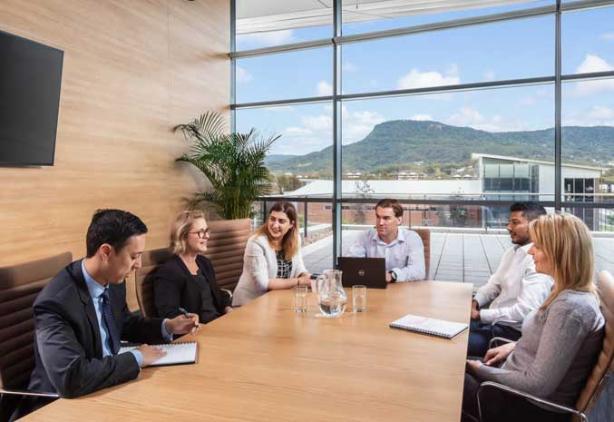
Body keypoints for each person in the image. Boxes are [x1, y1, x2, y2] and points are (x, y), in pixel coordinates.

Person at [19, 209, 199, 415]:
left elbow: (123, 322)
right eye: (134, 256)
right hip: (60, 406)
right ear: (106, 252)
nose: (138, 265)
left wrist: (167, 326)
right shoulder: (54, 304)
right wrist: (137, 358)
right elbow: (71, 378)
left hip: (106, 387)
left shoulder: (113, 281)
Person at [462, 213, 605, 422]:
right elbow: (551, 344)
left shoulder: (570, 309)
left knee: (442, 380)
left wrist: (481, 370)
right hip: (511, 382)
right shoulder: (565, 293)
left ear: (558, 252)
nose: (530, 251)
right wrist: (514, 346)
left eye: (537, 246)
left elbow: (538, 385)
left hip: (523, 406)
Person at [468, 202, 552, 357]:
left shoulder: (539, 262)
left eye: (515, 223)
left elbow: (525, 311)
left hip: (507, 334)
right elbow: (494, 284)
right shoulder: (512, 252)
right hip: (491, 323)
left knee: (448, 341)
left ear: (536, 225)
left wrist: (479, 315)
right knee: (443, 326)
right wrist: (475, 303)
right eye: (509, 222)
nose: (508, 227)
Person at [151, 210, 232, 324]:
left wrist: (228, 309)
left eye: (207, 231)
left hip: (217, 323)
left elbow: (216, 295)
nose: (207, 236)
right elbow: (169, 314)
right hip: (196, 332)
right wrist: (195, 324)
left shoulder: (204, 263)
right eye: (201, 232)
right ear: (183, 236)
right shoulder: (169, 272)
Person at [232, 201, 310, 306]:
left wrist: (306, 277)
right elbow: (263, 284)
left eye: (281, 221)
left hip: (278, 301)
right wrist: (299, 281)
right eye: (272, 219)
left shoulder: (295, 240)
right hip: (251, 303)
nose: (275, 225)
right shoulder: (256, 242)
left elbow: (299, 268)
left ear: (291, 224)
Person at [349, 198, 425, 282]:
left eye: (386, 218)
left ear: (399, 220)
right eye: (378, 217)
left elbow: (418, 271)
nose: (380, 223)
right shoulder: (364, 237)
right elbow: (350, 264)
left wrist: (393, 275)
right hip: (373, 289)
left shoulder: (412, 238)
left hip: (401, 290)